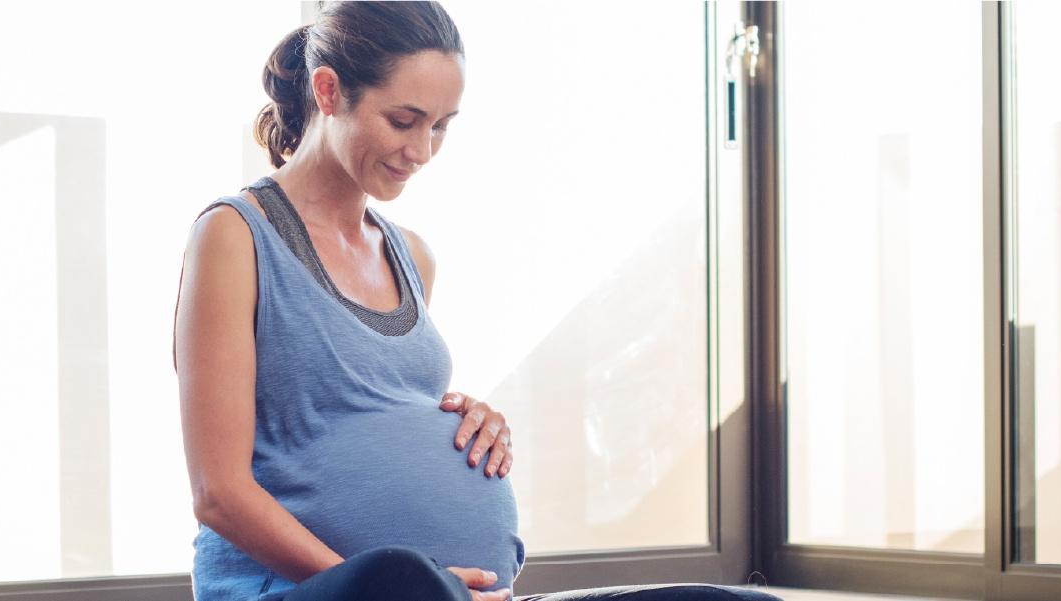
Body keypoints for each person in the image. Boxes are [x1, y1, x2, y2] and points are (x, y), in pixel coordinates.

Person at [173, 3, 784, 601]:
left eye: (441, 126)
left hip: (467, 594)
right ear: (329, 92)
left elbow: (376, 412)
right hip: (298, 589)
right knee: (400, 579)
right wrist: (410, 587)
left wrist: (472, 425)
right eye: (403, 120)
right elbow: (218, 491)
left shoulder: (410, 256)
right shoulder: (235, 235)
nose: (423, 150)